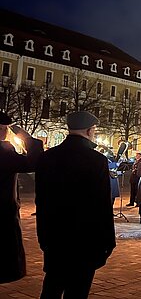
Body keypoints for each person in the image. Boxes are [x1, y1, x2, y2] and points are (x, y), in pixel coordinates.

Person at [35, 111, 115, 298]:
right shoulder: (97, 160)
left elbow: (41, 200)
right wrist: (108, 241)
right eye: (94, 130)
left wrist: (43, 237)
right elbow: (103, 205)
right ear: (89, 130)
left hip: (54, 235)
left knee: (52, 287)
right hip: (85, 239)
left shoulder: (47, 158)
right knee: (78, 291)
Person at [0, 111, 43, 284]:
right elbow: (33, 162)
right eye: (3, 128)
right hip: (2, 214)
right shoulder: (4, 152)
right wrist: (26, 137)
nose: (5, 132)